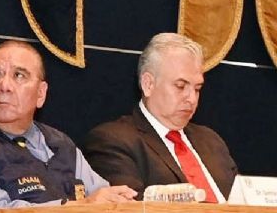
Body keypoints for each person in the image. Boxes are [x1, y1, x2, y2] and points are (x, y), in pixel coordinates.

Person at [0, 40, 137, 209]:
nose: (4, 86)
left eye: (19, 75)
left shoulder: (61, 144)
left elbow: (103, 197)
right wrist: (83, 206)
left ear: (41, 94)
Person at [83, 33, 238, 202]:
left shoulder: (212, 141)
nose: (192, 99)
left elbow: (244, 200)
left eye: (197, 89)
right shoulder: (112, 141)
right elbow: (132, 206)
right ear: (148, 84)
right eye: (180, 86)